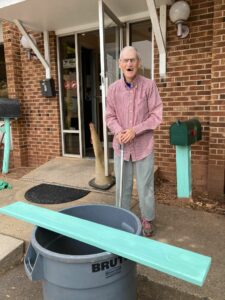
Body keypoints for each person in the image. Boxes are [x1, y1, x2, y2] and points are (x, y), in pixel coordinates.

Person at [105, 46, 163, 237]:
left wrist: (134, 131)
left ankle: (147, 219)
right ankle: (123, 217)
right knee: (123, 187)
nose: (129, 64)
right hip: (121, 146)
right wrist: (119, 131)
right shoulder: (113, 90)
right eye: (125, 60)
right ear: (120, 64)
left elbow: (156, 115)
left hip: (143, 146)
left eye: (132, 60)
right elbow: (109, 116)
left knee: (145, 187)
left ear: (138, 63)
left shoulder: (149, 86)